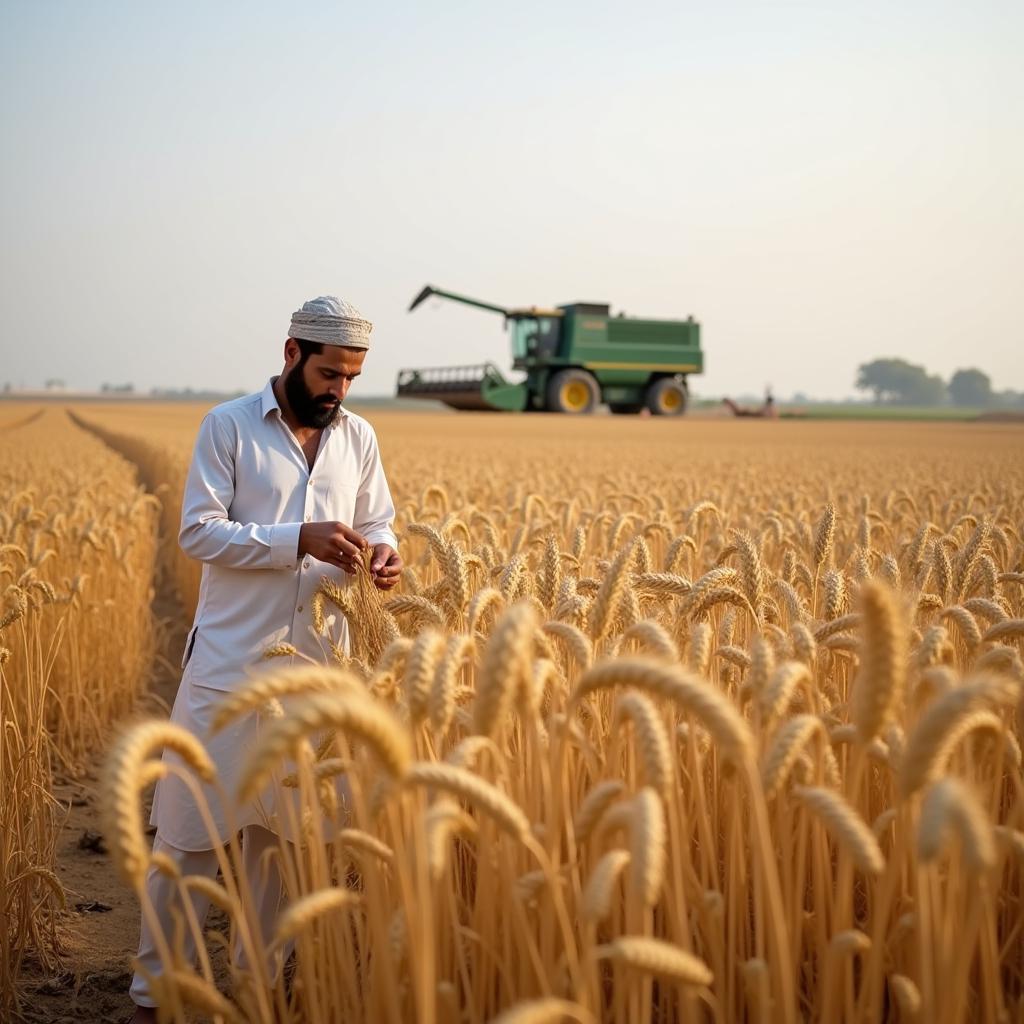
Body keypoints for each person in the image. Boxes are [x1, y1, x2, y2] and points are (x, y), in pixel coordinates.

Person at [128, 295, 403, 1022]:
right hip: (229, 666)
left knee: (283, 840)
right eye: (330, 372)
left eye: (351, 377)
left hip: (316, 670)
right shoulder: (228, 427)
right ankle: (159, 992)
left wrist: (384, 555)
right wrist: (296, 540)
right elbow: (199, 532)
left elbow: (379, 518)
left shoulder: (360, 438)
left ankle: (254, 987)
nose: (339, 389)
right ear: (291, 354)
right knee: (188, 834)